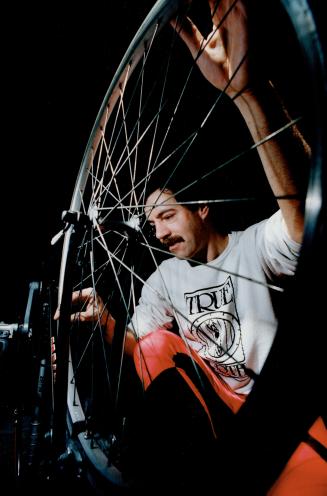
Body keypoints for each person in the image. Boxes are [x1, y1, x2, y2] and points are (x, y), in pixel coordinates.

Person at [56, 0, 327, 492]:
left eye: (167, 215)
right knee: (157, 342)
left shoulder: (253, 248)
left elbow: (306, 224)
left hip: (278, 415)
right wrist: (106, 320)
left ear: (202, 207)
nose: (157, 233)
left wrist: (247, 94)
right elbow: (144, 352)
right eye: (151, 221)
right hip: (209, 422)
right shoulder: (166, 279)